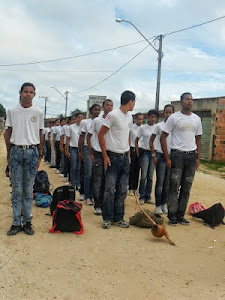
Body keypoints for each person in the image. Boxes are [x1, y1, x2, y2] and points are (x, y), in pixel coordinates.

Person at [5, 82, 44, 236]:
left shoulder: (38, 112)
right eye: (25, 92)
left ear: (34, 94)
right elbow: (8, 132)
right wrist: (9, 154)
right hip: (16, 151)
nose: (28, 94)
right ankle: (15, 222)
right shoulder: (12, 111)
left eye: (31, 92)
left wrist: (40, 154)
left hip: (32, 152)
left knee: (28, 190)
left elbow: (40, 135)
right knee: (16, 190)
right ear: (20, 93)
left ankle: (27, 222)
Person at [161, 92, 202, 226]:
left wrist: (198, 157)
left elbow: (198, 138)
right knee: (174, 186)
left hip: (191, 156)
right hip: (177, 155)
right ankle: (172, 215)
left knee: (186, 187)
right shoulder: (174, 117)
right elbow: (163, 136)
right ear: (181, 102)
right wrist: (167, 158)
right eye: (187, 99)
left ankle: (180, 215)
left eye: (191, 99)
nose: (190, 102)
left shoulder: (197, 119)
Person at [98, 90, 135, 229]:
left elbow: (128, 135)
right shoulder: (112, 115)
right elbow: (101, 134)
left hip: (125, 157)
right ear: (130, 101)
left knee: (122, 190)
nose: (134, 105)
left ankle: (118, 218)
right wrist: (105, 156)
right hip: (112, 157)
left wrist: (129, 154)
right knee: (110, 189)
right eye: (134, 102)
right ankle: (107, 218)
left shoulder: (129, 117)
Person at [87, 99, 113, 215]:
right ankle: (97, 204)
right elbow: (89, 136)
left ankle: (106, 204)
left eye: (111, 105)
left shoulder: (114, 119)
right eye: (107, 105)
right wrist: (91, 153)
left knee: (108, 180)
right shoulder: (97, 121)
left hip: (111, 153)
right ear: (103, 107)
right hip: (98, 153)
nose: (109, 107)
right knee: (98, 179)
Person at [150, 105, 174, 214]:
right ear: (163, 113)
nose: (168, 115)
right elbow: (151, 141)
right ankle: (158, 205)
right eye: (166, 112)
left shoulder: (175, 126)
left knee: (167, 182)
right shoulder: (159, 126)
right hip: (160, 155)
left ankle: (164, 203)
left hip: (172, 156)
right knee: (160, 182)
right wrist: (153, 155)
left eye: (170, 112)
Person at [78, 104, 101, 205]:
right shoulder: (85, 122)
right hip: (87, 148)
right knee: (88, 173)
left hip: (97, 149)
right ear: (91, 111)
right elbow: (82, 137)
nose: (97, 111)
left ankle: (94, 196)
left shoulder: (101, 121)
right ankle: (87, 195)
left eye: (99, 110)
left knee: (96, 175)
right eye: (95, 109)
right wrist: (80, 151)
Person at [135, 110, 158, 205]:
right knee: (143, 175)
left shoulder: (157, 127)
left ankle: (148, 196)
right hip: (145, 153)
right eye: (151, 117)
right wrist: (137, 153)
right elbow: (136, 140)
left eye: (155, 117)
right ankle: (142, 196)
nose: (153, 119)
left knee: (150, 176)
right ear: (148, 117)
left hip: (154, 153)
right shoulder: (143, 128)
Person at [65, 113, 84, 190]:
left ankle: (78, 183)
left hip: (81, 149)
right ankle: (73, 183)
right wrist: (67, 150)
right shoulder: (71, 127)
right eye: (78, 117)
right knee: (73, 166)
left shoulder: (83, 127)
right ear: (75, 119)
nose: (80, 119)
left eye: (82, 117)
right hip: (73, 148)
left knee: (79, 167)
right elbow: (68, 139)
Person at [128, 113, 143, 196]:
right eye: (139, 119)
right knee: (132, 169)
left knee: (138, 169)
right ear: (135, 119)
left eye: (141, 119)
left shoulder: (143, 128)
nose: (140, 121)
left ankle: (135, 188)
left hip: (141, 149)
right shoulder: (132, 128)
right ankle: (130, 187)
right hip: (133, 149)